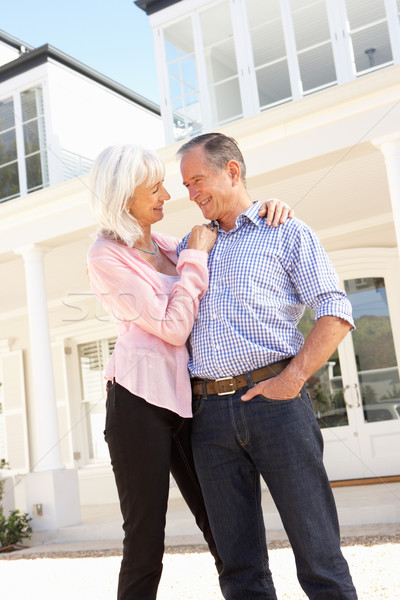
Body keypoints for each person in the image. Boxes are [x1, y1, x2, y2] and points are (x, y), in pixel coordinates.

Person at [86, 144, 293, 600]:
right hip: (138, 405)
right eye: (154, 187)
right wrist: (194, 259)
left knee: (225, 528)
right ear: (124, 197)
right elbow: (173, 327)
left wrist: (269, 209)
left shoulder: (164, 245)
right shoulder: (105, 256)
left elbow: (226, 249)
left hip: (189, 401)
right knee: (145, 542)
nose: (167, 194)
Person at [177, 133, 359, 600]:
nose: (191, 193)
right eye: (185, 185)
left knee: (318, 553)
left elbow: (336, 313)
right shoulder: (189, 246)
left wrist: (293, 379)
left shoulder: (287, 230)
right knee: (238, 567)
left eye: (198, 180)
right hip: (209, 418)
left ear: (232, 171)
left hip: (277, 404)